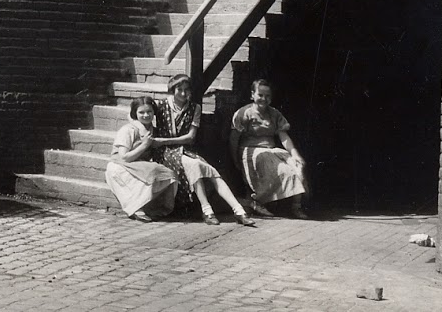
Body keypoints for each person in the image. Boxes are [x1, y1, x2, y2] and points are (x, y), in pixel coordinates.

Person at [152, 74, 255, 226]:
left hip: (184, 150)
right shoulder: (160, 105)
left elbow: (190, 138)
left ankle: (239, 211)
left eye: (186, 90)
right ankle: (207, 210)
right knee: (195, 166)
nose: (183, 93)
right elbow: (135, 112)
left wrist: (162, 140)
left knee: (211, 171)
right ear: (172, 90)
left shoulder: (195, 108)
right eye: (179, 89)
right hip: (165, 153)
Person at [230, 78, 309, 218]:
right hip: (251, 151)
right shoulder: (244, 113)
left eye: (267, 96)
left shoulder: (274, 114)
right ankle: (255, 201)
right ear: (252, 95)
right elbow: (234, 139)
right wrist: (235, 159)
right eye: (260, 95)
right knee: (283, 170)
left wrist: (295, 154)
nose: (263, 99)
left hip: (272, 150)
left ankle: (296, 207)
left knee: (296, 167)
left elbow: (283, 137)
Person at [105, 96, 179, 222]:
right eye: (141, 112)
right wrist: (145, 145)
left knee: (169, 176)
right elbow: (124, 157)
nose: (146, 115)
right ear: (135, 113)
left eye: (149, 112)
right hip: (120, 165)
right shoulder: (128, 130)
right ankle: (136, 209)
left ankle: (157, 209)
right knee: (150, 172)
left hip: (138, 166)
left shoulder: (152, 131)